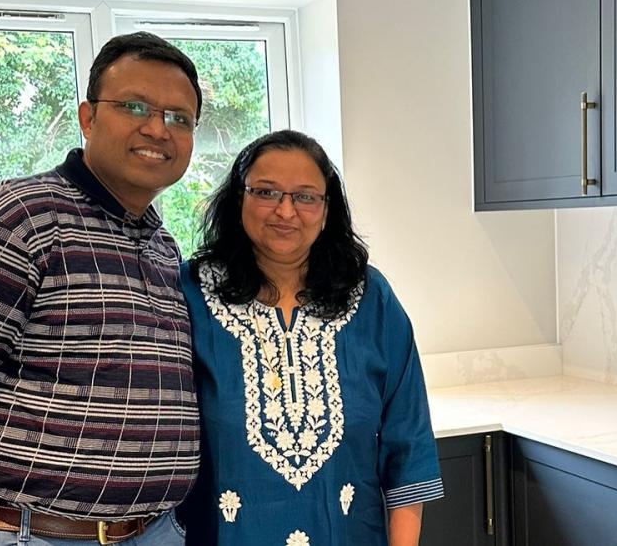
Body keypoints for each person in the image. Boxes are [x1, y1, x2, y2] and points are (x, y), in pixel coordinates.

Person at [0, 32, 204, 545]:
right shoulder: (20, 218)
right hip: (33, 534)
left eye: (179, 118)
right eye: (135, 106)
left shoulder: (161, 246)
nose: (158, 129)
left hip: (152, 533)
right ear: (87, 117)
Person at [176, 130, 443, 546]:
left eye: (305, 196)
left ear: (326, 208)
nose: (285, 211)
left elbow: (408, 446)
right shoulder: (189, 294)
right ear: (238, 198)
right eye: (266, 191)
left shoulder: (372, 299)